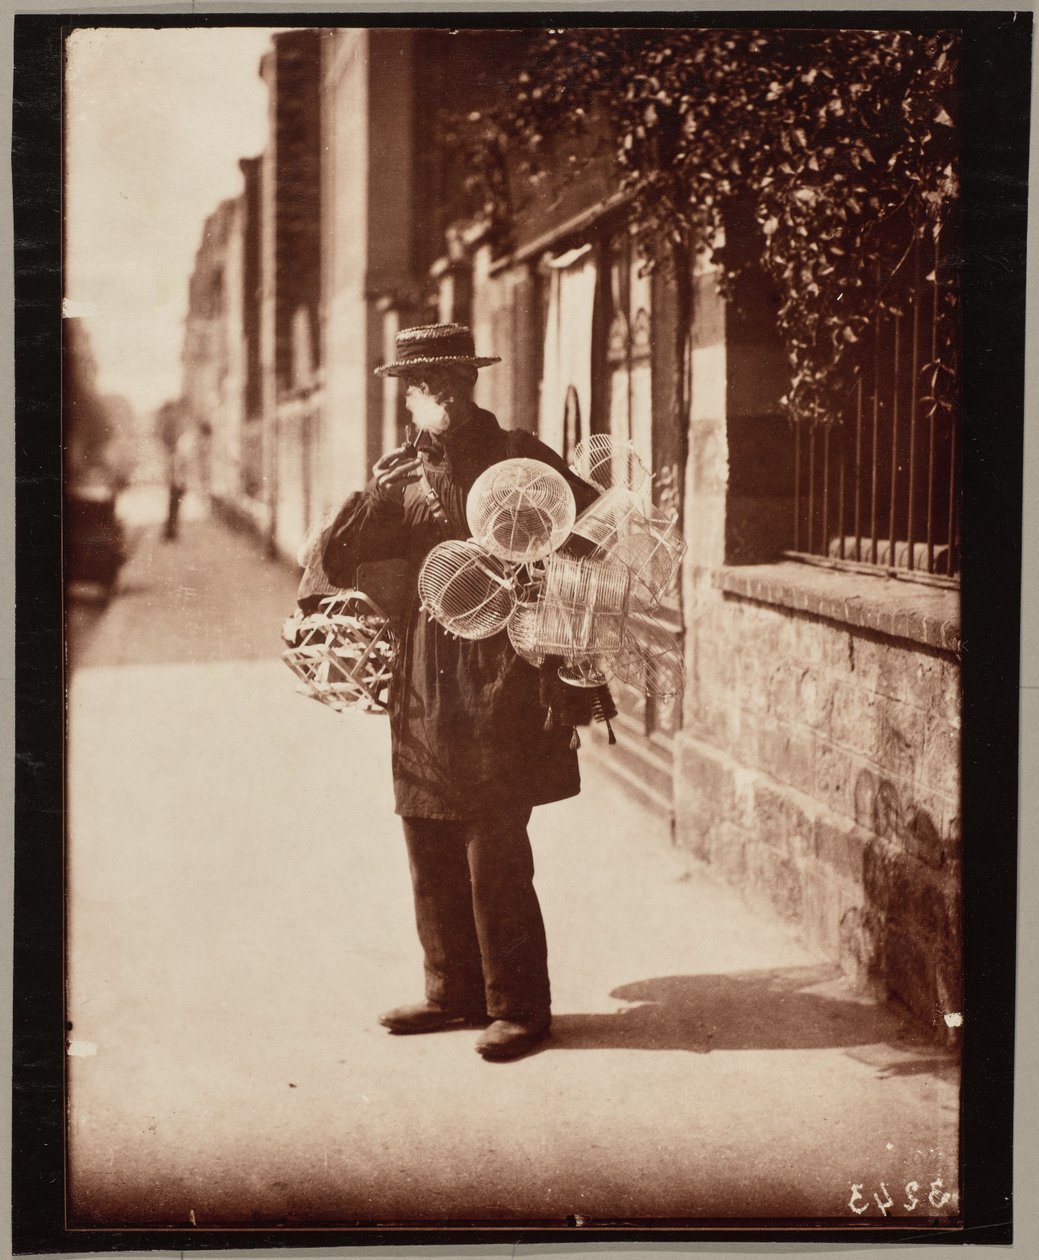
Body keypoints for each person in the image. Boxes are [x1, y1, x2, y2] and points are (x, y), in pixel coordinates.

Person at [322, 322, 601, 1062]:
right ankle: (451, 991)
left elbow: (589, 535)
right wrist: (372, 498)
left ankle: (519, 1008)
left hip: (499, 672)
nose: (421, 397)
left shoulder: (518, 457)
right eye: (414, 386)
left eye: (433, 383)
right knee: (427, 830)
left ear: (459, 385)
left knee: (493, 844)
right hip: (422, 675)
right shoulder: (401, 475)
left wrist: (536, 590)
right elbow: (345, 565)